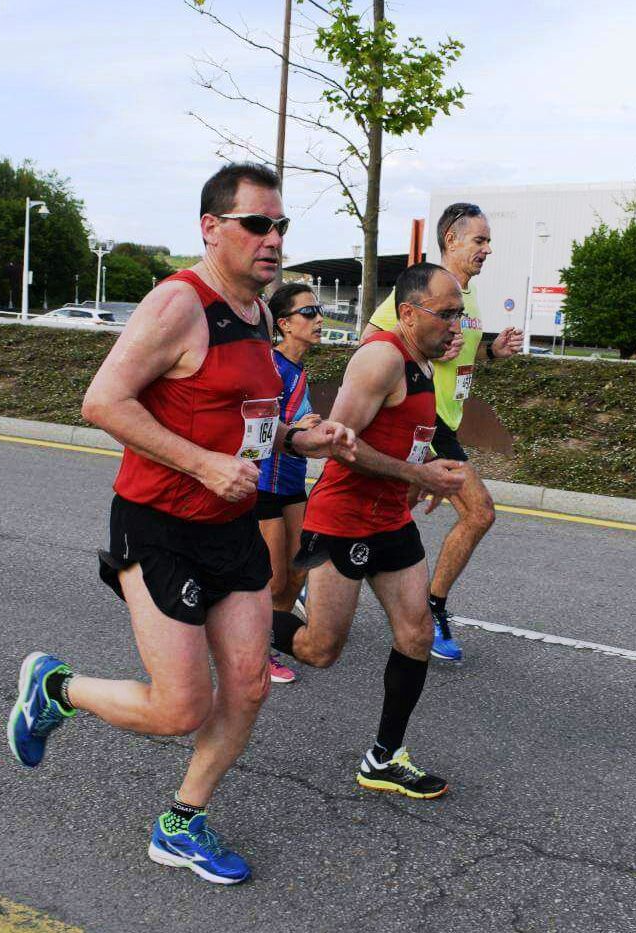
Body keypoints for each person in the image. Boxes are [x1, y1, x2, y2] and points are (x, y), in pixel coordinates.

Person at [6, 162, 355, 886]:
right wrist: (199, 463)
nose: (273, 238)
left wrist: (298, 439)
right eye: (256, 224)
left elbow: (246, 420)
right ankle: (55, 689)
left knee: (250, 684)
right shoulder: (178, 303)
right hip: (159, 522)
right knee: (179, 705)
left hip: (231, 523)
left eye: (281, 225)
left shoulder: (258, 313)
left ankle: (181, 821)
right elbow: (101, 401)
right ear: (211, 228)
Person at [272, 262, 467, 798]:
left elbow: (406, 435)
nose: (456, 325)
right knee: (319, 649)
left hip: (390, 520)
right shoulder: (382, 357)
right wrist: (417, 473)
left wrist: (427, 473)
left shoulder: (426, 365)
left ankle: (384, 756)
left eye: (460, 314)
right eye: (446, 314)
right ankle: (234, 622)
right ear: (408, 313)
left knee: (417, 633)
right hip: (343, 519)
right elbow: (341, 444)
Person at [362, 204, 523, 661]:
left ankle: (320, 572)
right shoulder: (424, 289)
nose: (487, 249)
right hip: (423, 424)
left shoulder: (466, 298)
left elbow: (459, 361)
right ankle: (431, 609)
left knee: (382, 514)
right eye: (479, 240)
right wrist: (423, 356)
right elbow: (370, 345)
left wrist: (491, 351)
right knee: (480, 512)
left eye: (488, 241)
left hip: (446, 424)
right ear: (451, 240)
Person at [258, 283, 324, 684]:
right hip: (264, 484)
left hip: (293, 481)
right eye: (309, 312)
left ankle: (269, 637)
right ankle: (253, 654)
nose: (319, 319)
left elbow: (301, 421)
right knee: (275, 580)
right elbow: (253, 424)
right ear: (284, 324)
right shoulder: (270, 366)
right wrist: (294, 430)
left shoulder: (298, 369)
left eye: (319, 311)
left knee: (300, 570)